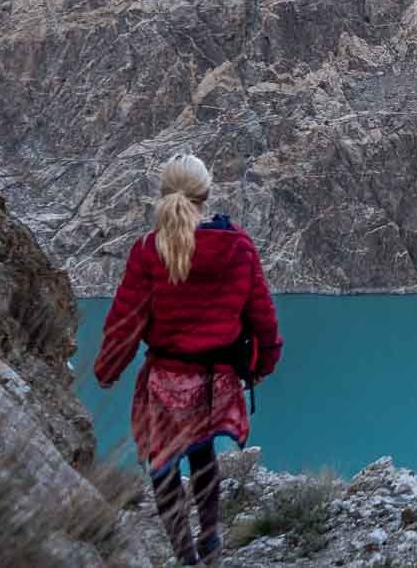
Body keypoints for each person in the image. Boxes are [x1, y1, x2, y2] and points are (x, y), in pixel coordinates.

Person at [95, 153, 282, 565]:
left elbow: (125, 321)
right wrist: (264, 365)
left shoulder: (148, 250)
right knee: (201, 451)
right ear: (206, 194)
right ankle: (212, 537)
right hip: (219, 382)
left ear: (164, 194)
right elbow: (262, 316)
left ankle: (186, 557)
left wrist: (107, 371)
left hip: (169, 382)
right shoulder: (238, 246)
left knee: (163, 468)